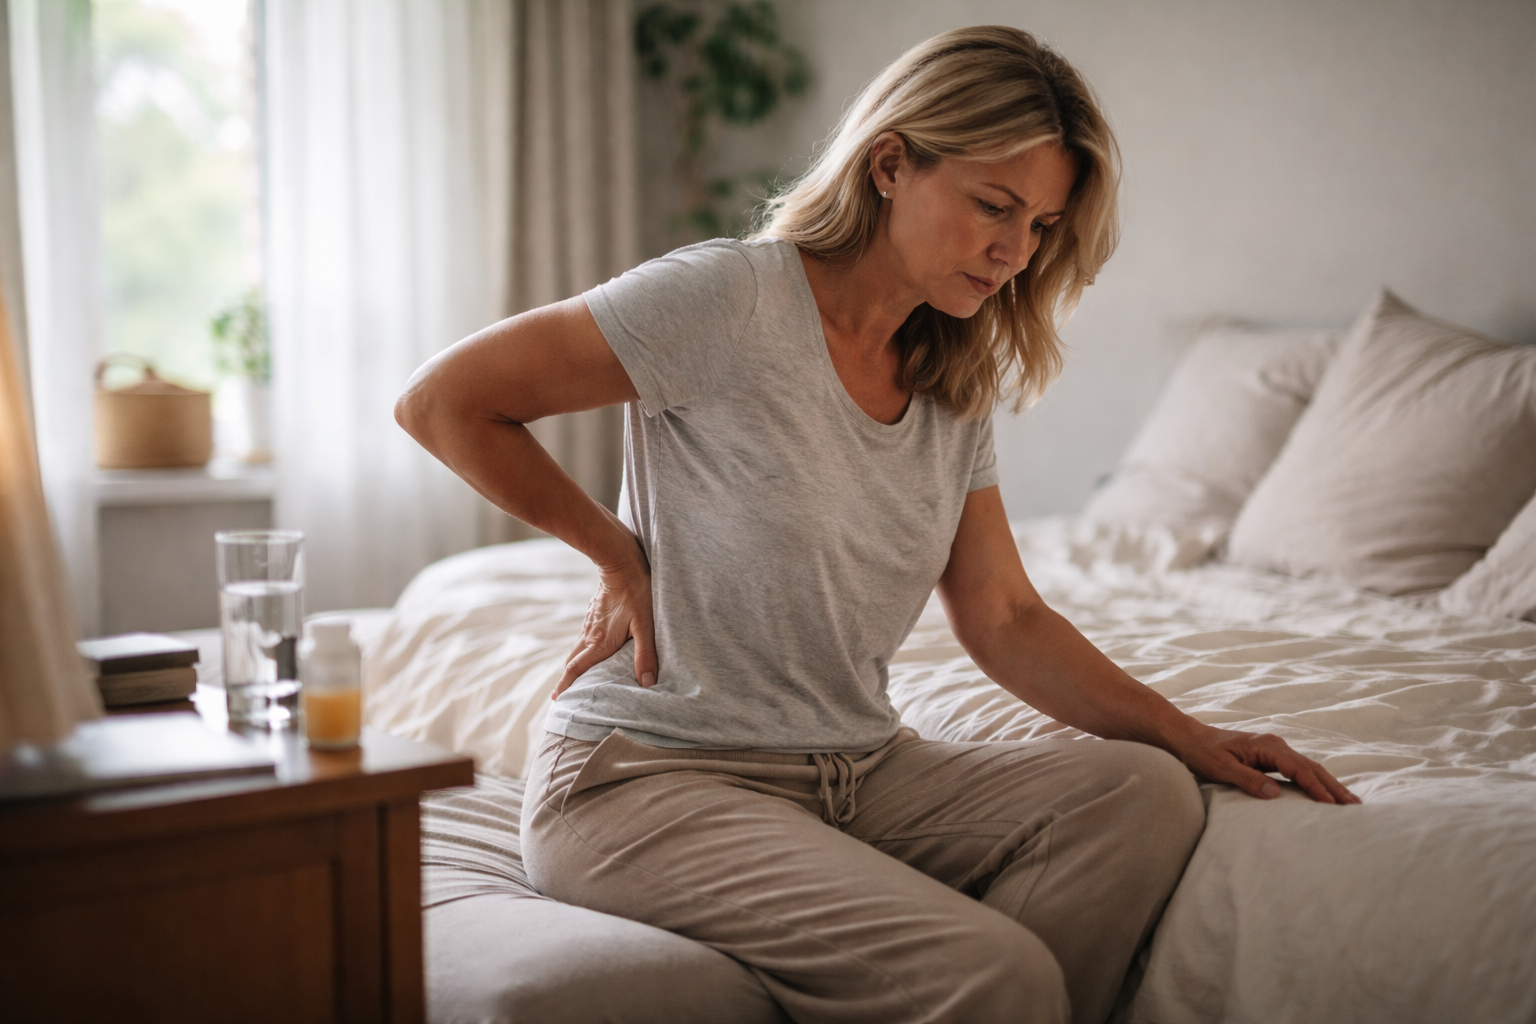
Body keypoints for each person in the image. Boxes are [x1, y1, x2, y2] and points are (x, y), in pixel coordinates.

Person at [395, 24, 1359, 1024]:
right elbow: (444, 401)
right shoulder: (729, 297)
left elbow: (1006, 617)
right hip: (643, 780)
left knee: (1142, 792)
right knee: (1002, 975)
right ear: (890, 163)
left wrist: (1195, 736)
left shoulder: (955, 372)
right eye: (994, 205)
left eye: (1039, 225)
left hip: (856, 769)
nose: (1014, 251)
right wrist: (614, 552)